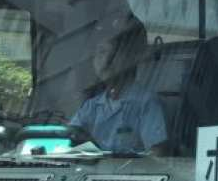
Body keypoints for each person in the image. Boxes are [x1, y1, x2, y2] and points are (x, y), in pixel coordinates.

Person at [69, 11, 169, 154]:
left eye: (114, 53)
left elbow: (158, 155)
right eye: (101, 52)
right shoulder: (91, 106)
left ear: (130, 57)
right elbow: (69, 137)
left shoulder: (146, 103)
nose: (106, 61)